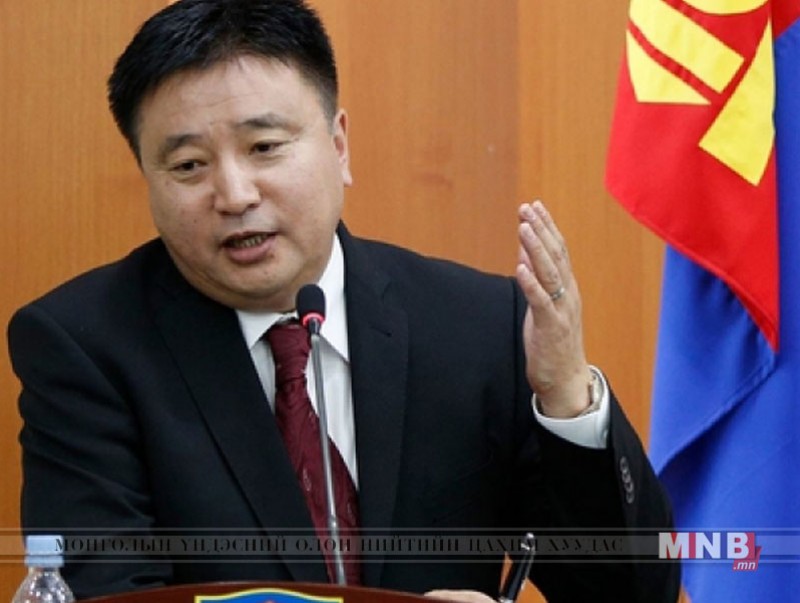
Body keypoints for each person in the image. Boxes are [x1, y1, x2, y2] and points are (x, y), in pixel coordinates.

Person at [7, 1, 679, 601]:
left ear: (339, 145)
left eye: (264, 147)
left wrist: (566, 399)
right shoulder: (86, 347)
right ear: (148, 178)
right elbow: (102, 592)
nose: (234, 194)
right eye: (188, 166)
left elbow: (633, 593)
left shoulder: (478, 327)